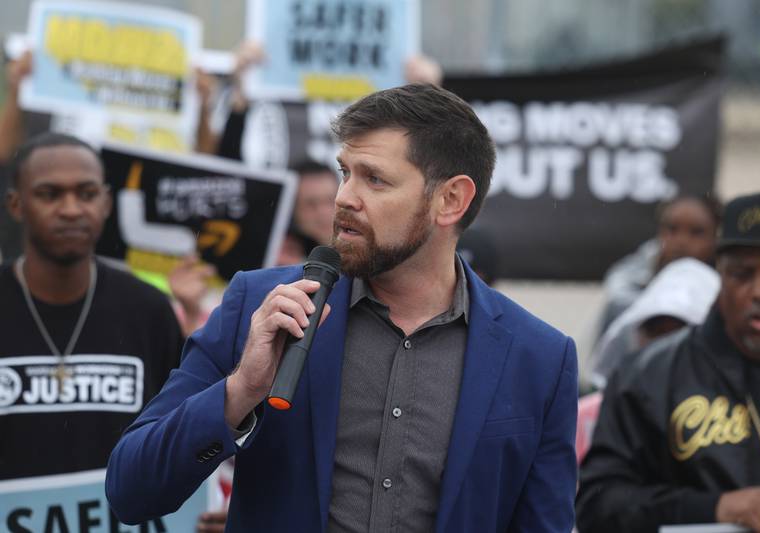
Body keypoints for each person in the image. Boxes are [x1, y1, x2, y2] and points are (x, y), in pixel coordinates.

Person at [106, 83, 579, 532]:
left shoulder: (538, 357)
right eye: (345, 172)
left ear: (450, 199)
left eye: (374, 179)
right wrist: (239, 392)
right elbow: (131, 490)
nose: (343, 198)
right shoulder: (259, 307)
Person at [576, 191, 760, 533]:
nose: (759, 291)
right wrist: (712, 507)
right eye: (741, 274)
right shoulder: (649, 374)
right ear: (720, 275)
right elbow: (599, 504)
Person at [0, 133, 183, 482]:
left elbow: (179, 432)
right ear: (16, 205)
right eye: (49, 194)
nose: (71, 210)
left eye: (86, 194)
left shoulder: (149, 311)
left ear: (106, 203)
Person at [595, 194, 722, 338]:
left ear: (716, 238)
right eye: (672, 229)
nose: (681, 241)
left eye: (696, 232)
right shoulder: (624, 294)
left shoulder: (726, 298)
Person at [589, 257, 721, 387]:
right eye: (654, 332)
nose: (662, 347)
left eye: (678, 334)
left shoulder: (735, 405)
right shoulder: (596, 407)